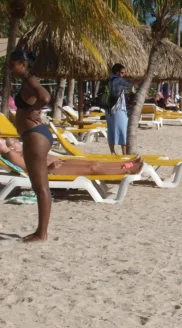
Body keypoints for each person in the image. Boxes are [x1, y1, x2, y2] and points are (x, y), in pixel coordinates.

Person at [9, 50, 52, 242]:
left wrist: (33, 111)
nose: (10, 67)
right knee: (40, 186)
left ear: (23, 64)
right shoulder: (27, 81)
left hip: (35, 136)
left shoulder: (29, 80)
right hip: (35, 135)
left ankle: (41, 233)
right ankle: (41, 232)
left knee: (40, 187)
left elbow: (45, 97)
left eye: (12, 63)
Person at [0, 138, 144, 175]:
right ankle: (129, 169)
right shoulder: (12, 154)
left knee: (94, 162)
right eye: (11, 141)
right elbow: (29, 170)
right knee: (93, 167)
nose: (16, 140)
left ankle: (130, 164)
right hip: (52, 171)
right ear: (10, 147)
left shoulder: (19, 151)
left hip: (58, 163)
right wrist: (49, 168)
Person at [105, 63, 134, 155]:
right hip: (118, 109)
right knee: (123, 130)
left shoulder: (108, 79)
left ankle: (112, 152)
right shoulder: (117, 80)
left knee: (111, 130)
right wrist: (143, 80)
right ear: (117, 72)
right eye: (122, 72)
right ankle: (124, 153)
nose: (123, 74)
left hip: (109, 110)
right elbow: (130, 84)